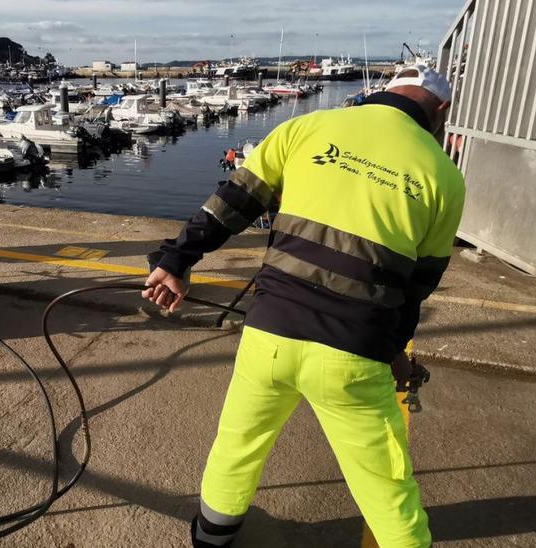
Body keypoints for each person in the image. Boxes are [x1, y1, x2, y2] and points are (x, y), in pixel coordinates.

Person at [143, 64, 465, 548]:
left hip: (270, 333)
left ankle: (212, 538)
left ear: (386, 91)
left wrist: (176, 260)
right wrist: (396, 350)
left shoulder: (305, 127)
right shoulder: (444, 176)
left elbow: (229, 203)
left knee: (238, 445)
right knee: (386, 484)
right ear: (440, 111)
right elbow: (418, 287)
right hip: (355, 351)